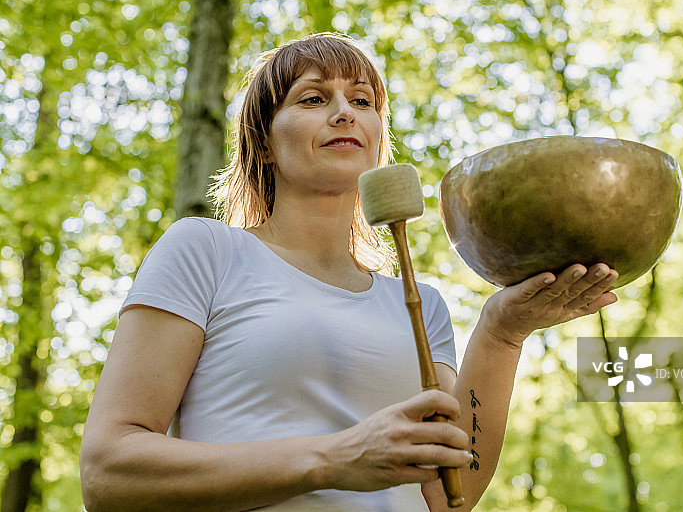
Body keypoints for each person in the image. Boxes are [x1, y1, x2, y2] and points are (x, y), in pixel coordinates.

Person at [80, 33, 618, 512]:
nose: (345, 113)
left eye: (362, 101)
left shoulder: (421, 303)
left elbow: (444, 498)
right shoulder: (205, 251)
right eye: (314, 98)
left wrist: (502, 334)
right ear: (264, 144)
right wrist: (333, 459)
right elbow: (109, 475)